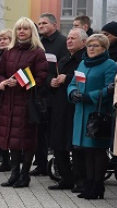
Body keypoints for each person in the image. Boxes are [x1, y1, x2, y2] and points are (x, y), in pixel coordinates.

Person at [0, 17, 48, 188]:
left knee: (26, 140)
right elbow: (1, 73)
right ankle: (14, 174)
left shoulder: (38, 52)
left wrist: (19, 82)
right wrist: (3, 82)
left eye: (25, 28)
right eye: (19, 28)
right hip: (9, 102)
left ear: (31, 31)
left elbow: (41, 77)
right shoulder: (9, 52)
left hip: (27, 103)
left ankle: (25, 175)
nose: (21, 31)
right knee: (12, 140)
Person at [69, 34, 116, 199]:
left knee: (97, 151)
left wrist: (90, 96)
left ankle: (98, 186)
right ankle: (88, 185)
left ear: (104, 48)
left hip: (97, 114)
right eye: (89, 45)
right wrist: (73, 93)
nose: (91, 48)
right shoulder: (82, 63)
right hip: (81, 113)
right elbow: (73, 83)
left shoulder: (109, 65)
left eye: (95, 46)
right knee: (87, 151)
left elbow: (110, 89)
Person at [47, 28, 87, 190]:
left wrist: (68, 78)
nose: (68, 40)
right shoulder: (63, 60)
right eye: (68, 38)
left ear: (83, 42)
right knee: (58, 142)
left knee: (75, 145)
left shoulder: (85, 60)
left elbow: (86, 79)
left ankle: (80, 179)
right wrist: (52, 82)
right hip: (59, 106)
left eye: (73, 38)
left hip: (76, 106)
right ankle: (65, 177)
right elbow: (52, 77)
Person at [33, 13, 69, 176]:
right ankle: (40, 165)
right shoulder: (38, 43)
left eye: (44, 23)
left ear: (54, 25)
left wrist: (55, 80)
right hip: (40, 93)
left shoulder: (62, 42)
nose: (40, 26)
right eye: (39, 23)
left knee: (55, 134)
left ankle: (59, 169)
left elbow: (64, 64)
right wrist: (47, 80)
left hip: (56, 96)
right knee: (39, 133)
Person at [0, 29, 13, 172]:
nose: (2, 42)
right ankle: (3, 158)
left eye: (6, 39)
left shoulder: (13, 55)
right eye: (0, 39)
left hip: (11, 94)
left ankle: (14, 159)